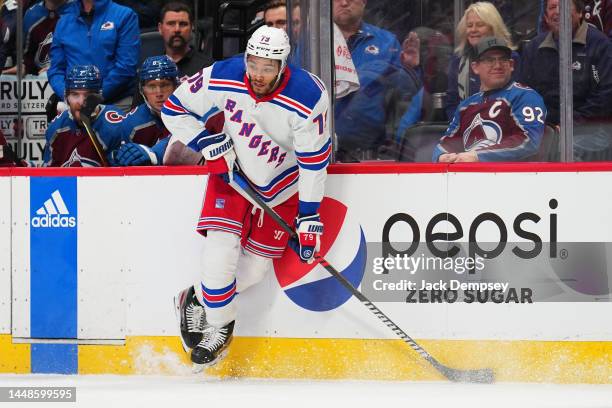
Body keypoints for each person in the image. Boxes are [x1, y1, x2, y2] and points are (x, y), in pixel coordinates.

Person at [163, 26, 330, 369]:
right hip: (232, 175)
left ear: (283, 65)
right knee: (219, 255)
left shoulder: (307, 96)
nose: (257, 74)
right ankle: (221, 327)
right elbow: (172, 108)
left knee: (252, 271)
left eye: (268, 67)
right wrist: (204, 141)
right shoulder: (225, 74)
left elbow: (314, 162)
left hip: (282, 187)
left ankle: (195, 296)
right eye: (253, 63)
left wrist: (310, 216)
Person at [432, 37, 546, 163]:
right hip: (469, 178)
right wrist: (441, 156)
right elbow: (447, 142)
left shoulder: (525, 96)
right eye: (489, 60)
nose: (497, 65)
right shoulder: (466, 105)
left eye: (503, 59)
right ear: (475, 67)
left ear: (511, 65)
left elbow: (530, 141)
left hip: (514, 178)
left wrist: (478, 156)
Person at [332, 0, 420, 161]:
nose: (344, 3)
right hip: (323, 148)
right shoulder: (315, 42)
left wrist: (409, 68)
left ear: (364, 2)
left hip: (371, 152)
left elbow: (406, 98)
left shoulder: (386, 42)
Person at [522, 0, 612, 127]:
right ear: (546, 18)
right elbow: (526, 92)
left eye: (565, 6)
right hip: (544, 127)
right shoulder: (533, 48)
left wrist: (569, 124)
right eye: (552, 7)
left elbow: (605, 97)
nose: (558, 11)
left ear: (580, 12)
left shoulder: (601, 45)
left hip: (589, 129)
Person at [47, 0, 140, 112]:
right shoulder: (64, 20)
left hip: (115, 102)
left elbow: (126, 67)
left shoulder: (125, 15)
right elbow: (56, 69)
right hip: (73, 104)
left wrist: (94, 97)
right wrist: (68, 96)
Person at [444, 1, 520, 120]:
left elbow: (516, 100)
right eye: (469, 25)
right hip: (465, 129)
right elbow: (452, 102)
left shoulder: (510, 58)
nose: (473, 30)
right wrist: (461, 126)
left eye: (479, 25)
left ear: (493, 28)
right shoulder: (458, 60)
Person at [43, 64, 125, 166]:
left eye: (88, 95)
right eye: (75, 94)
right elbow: (47, 175)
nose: (81, 102)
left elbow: (124, 177)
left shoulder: (117, 125)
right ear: (66, 97)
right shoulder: (56, 128)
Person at [157, 1, 212, 81]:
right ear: (160, 28)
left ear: (192, 27)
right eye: (171, 24)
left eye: (183, 24)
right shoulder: (151, 68)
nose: (177, 29)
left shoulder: (207, 68)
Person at [21, 0, 74, 75]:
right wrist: (23, 68)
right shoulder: (31, 15)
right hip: (40, 80)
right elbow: (28, 59)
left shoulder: (79, 10)